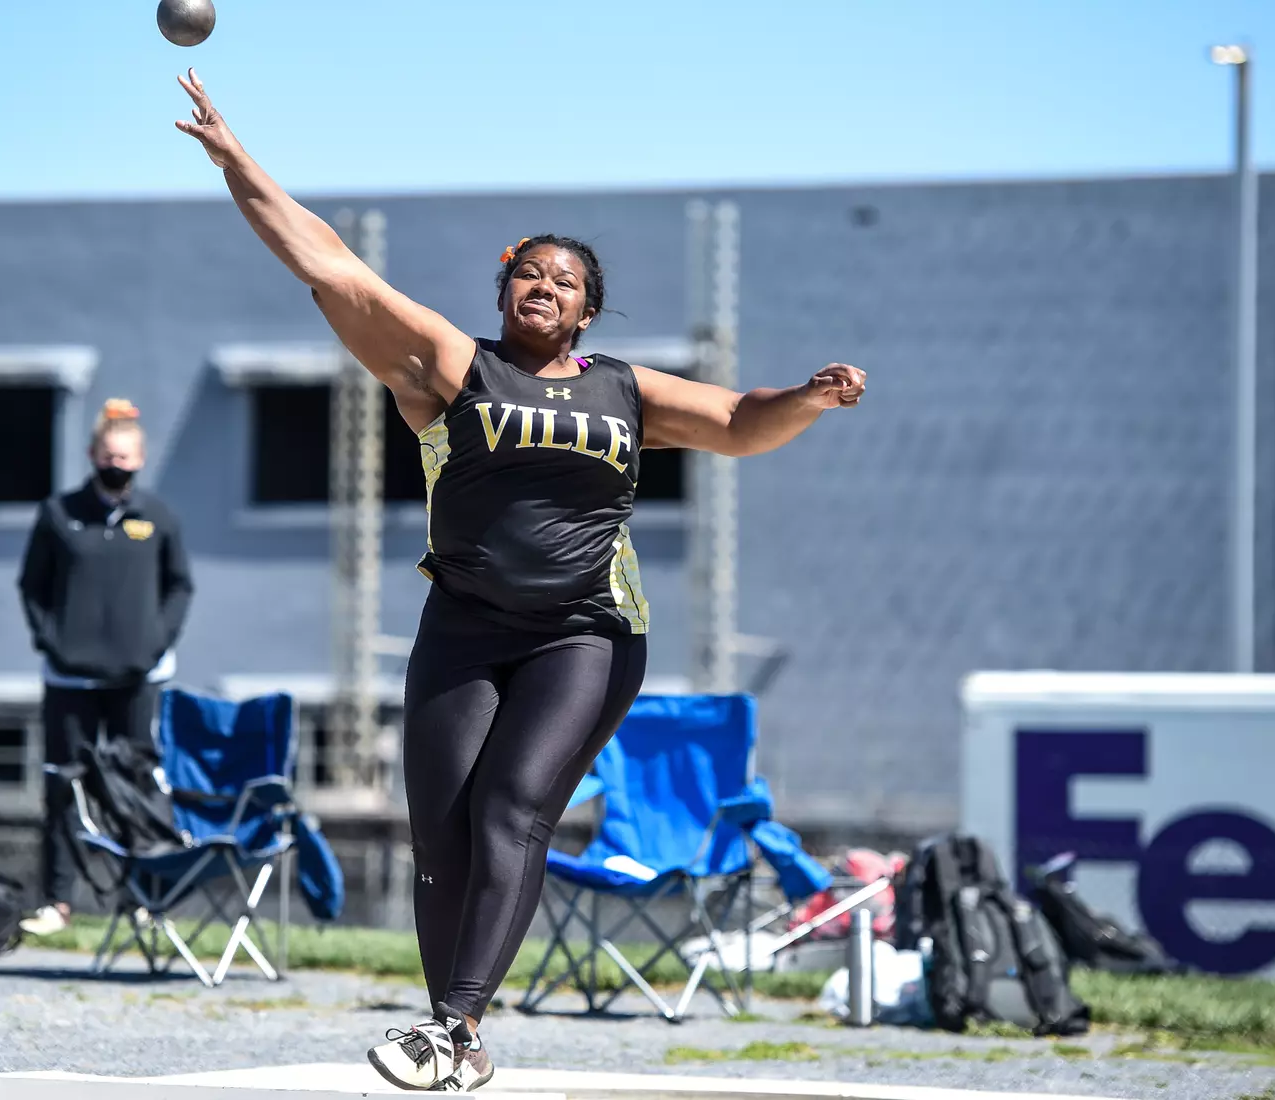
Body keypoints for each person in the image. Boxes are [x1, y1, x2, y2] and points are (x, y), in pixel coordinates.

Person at [174, 69, 866, 1092]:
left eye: (563, 280)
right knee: (441, 836)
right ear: (505, 289)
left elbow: (737, 421)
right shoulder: (452, 369)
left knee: (511, 810)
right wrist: (240, 164)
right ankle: (453, 1024)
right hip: (463, 625)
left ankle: (453, 1023)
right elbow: (332, 271)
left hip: (584, 630)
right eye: (527, 274)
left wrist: (806, 397)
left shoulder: (625, 389)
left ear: (586, 308)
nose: (542, 287)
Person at [16, 398, 196, 936]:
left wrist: (156, 643)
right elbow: (32, 587)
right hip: (69, 679)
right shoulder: (57, 514)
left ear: (139, 459)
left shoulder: (158, 518)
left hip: (138, 681)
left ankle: (142, 900)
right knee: (63, 786)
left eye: (125, 456)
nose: (115, 464)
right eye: (107, 454)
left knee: (137, 786)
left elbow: (179, 587)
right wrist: (52, 643)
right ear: (92, 453)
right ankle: (57, 903)